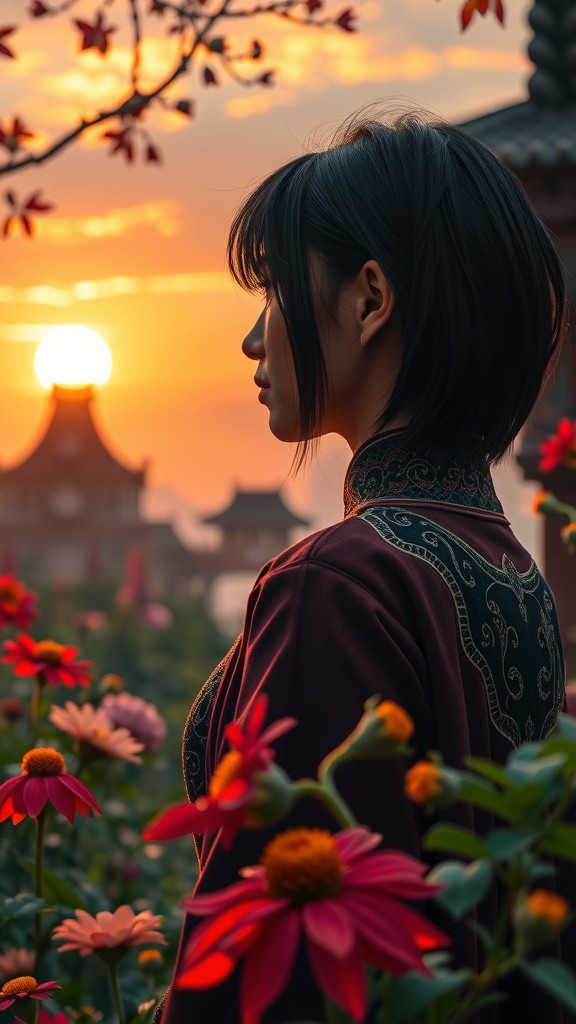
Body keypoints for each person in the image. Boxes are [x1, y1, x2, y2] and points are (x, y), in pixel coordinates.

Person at [156, 109, 572, 1023]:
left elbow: (288, 954)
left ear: (369, 300)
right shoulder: (513, 573)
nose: (253, 340)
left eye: (271, 289)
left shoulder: (339, 582)